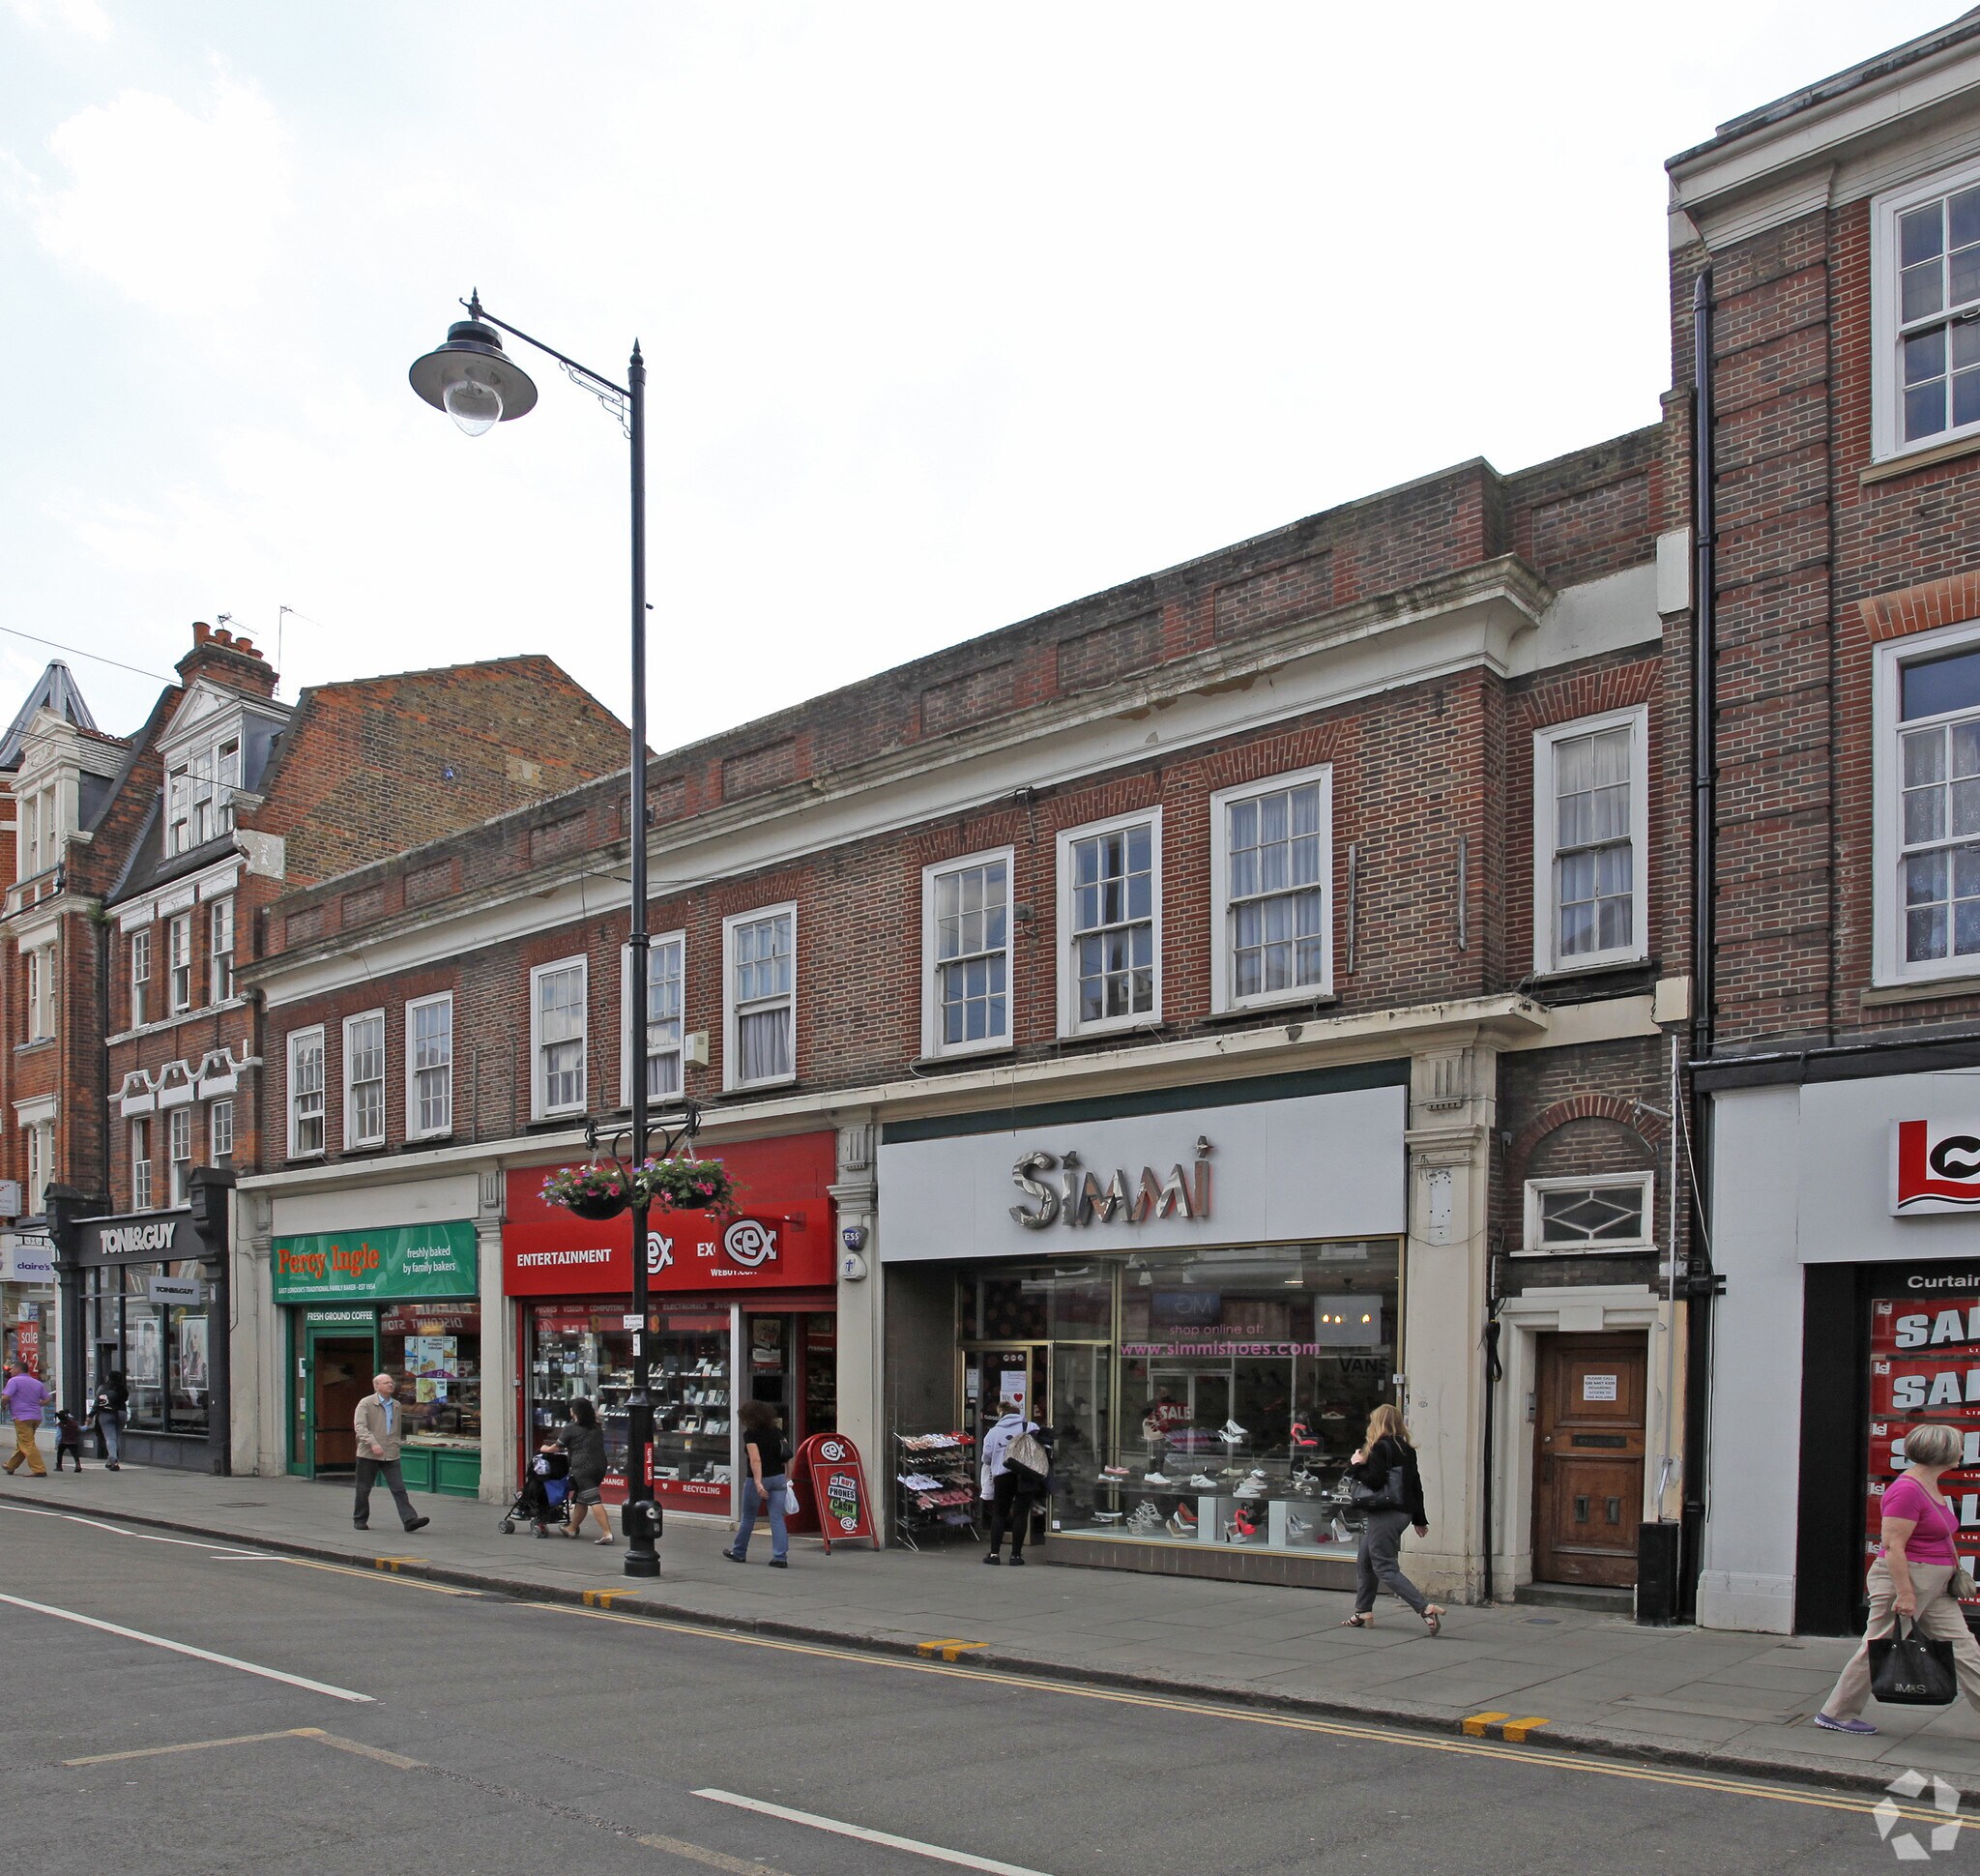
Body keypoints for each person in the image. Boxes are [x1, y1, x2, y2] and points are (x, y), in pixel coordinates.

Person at [1815, 1422, 1980, 1734]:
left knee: (1965, 1648)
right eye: (1958, 1445)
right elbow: (1892, 1546)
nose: (1961, 1450)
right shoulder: (1906, 1490)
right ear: (1941, 1452)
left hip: (1935, 1586)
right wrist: (1905, 1593)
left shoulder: (1928, 1484)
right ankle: (1836, 1713)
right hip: (1906, 1581)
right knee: (1878, 1645)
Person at [1339, 1402, 1443, 1636]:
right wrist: (1419, 1519)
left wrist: (1356, 1466)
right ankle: (1363, 1611)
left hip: (1384, 1513)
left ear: (1378, 1423)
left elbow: (1374, 1481)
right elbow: (1415, 1486)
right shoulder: (1406, 1448)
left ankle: (1424, 1608)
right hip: (1403, 1512)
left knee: (1384, 1567)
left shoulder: (1381, 1448)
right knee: (1365, 1559)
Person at [352, 1372, 431, 1535]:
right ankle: (360, 1519)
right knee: (363, 1488)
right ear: (377, 1386)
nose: (390, 1385)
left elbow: (396, 1428)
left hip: (391, 1453)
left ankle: (410, 1520)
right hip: (368, 1453)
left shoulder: (396, 1404)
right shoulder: (366, 1403)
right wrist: (373, 1443)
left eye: (391, 1382)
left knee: (399, 1488)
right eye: (386, 1382)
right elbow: (360, 1427)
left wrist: (397, 1444)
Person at [981, 1397, 1048, 1566]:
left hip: (1003, 1476)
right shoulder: (1030, 1426)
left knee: (999, 1514)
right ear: (1018, 1414)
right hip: (1026, 1475)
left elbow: (986, 1458)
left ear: (1002, 1415)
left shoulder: (993, 1432)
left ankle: (994, 1554)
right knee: (1021, 1514)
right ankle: (1016, 1556)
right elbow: (1042, 1448)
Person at [723, 1399, 790, 1568]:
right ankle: (780, 1557)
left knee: (748, 1517)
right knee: (777, 1518)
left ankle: (739, 1552)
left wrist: (759, 1482)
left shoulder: (750, 1435)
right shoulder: (778, 1432)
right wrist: (789, 1478)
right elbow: (788, 1456)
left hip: (758, 1479)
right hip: (778, 1478)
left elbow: (755, 1459)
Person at [560, 1398, 613, 1545]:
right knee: (583, 1498)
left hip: (582, 1468)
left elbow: (557, 1446)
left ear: (575, 1412)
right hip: (599, 1466)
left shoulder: (571, 1428)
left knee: (594, 1499)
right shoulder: (596, 1427)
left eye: (572, 1408)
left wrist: (544, 1449)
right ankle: (572, 1528)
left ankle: (607, 1533)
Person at [2, 1361, 48, 1478]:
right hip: (36, 1417)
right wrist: (38, 1404)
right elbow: (47, 1399)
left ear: (18, 1369)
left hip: (21, 1417)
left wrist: (3, 1405)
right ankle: (11, 1465)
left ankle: (39, 1469)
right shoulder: (37, 1383)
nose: (10, 1371)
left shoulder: (14, 1381)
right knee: (23, 1442)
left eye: (12, 1369)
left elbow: (6, 1396)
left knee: (27, 1444)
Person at [523, 1435, 570, 1538]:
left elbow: (551, 1448)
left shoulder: (543, 1459)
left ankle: (529, 1511)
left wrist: (543, 1448)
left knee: (532, 1490)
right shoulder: (563, 1460)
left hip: (543, 1490)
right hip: (558, 1490)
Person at [90, 1373, 126, 1470]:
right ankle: (110, 1460)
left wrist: (90, 1415)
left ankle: (114, 1460)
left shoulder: (103, 1388)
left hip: (106, 1413)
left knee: (110, 1438)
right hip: (121, 1413)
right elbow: (125, 1399)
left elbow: (97, 1402)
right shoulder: (122, 1388)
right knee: (117, 1437)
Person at [52, 1404, 85, 1472]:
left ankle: (59, 1466)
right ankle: (78, 1465)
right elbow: (81, 1429)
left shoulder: (60, 1425)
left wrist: (57, 1443)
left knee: (60, 1453)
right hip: (73, 1441)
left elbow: (59, 1435)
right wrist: (87, 1425)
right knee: (75, 1454)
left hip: (63, 1441)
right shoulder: (73, 1423)